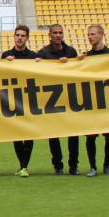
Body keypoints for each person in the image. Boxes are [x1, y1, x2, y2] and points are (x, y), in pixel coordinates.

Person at [77, 24, 109, 177]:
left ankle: (107, 166)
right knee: (90, 136)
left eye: (93, 34)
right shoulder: (86, 57)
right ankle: (93, 167)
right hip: (91, 102)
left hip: (108, 102)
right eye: (88, 34)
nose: (90, 37)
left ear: (101, 35)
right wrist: (77, 62)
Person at [38, 24, 80, 175]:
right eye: (55, 33)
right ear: (49, 35)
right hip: (52, 98)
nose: (58, 35)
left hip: (69, 96)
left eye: (60, 33)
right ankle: (58, 166)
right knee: (53, 134)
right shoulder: (43, 53)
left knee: (73, 133)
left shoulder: (71, 51)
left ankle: (73, 165)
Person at [2, 24, 39, 177]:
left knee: (29, 133)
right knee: (16, 135)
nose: (20, 38)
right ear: (14, 37)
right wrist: (5, 64)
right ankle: (23, 166)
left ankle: (24, 167)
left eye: (23, 36)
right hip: (13, 99)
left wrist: (40, 64)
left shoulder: (33, 56)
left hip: (29, 99)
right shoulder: (6, 55)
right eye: (18, 35)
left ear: (27, 38)